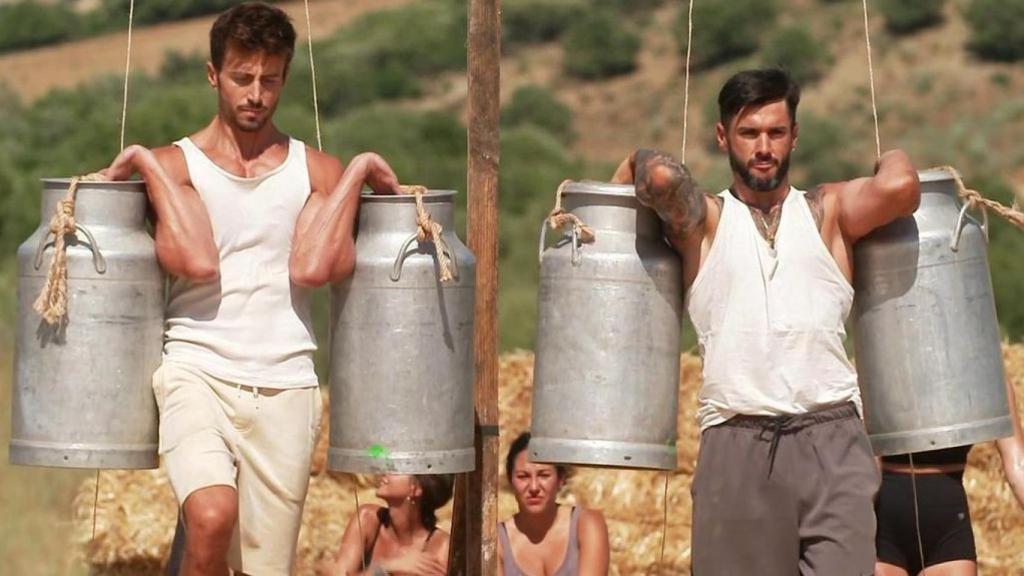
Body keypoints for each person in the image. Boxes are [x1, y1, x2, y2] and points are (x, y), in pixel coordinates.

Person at [100, 3, 404, 574]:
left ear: (285, 77)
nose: (256, 94)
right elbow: (195, 262)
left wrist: (359, 169)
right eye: (242, 77)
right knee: (212, 515)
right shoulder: (176, 165)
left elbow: (316, 269)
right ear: (214, 75)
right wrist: (143, 157)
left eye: (270, 79)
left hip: (286, 385)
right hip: (198, 371)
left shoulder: (317, 171)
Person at [610, 68, 921, 575]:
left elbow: (902, 185)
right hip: (739, 442)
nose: (763, 147)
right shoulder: (706, 224)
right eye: (748, 133)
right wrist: (631, 162)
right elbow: (660, 179)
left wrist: (886, 156)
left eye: (776, 133)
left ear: (794, 136)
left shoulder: (828, 212)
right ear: (721, 137)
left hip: (832, 437)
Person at [874, 378, 1024, 576]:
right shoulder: (880, 362)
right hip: (884, 525)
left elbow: (1018, 463)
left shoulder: (985, 371)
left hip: (947, 527)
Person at [497, 432, 609, 576]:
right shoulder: (498, 540)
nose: (533, 487)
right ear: (511, 481)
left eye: (544, 475)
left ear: (560, 479)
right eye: (523, 477)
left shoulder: (587, 524)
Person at [316, 474, 454, 576]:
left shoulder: (440, 547)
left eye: (396, 469)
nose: (384, 472)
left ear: (416, 489)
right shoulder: (368, 518)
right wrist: (387, 567)